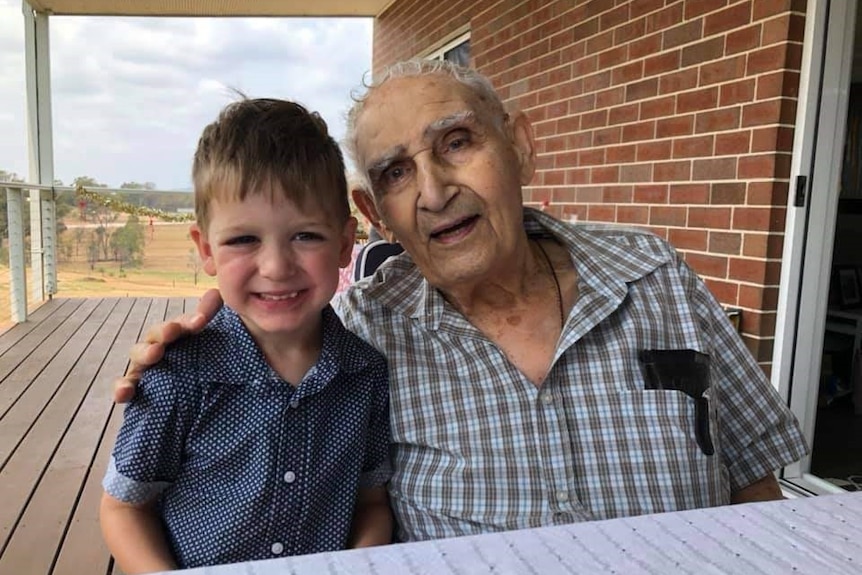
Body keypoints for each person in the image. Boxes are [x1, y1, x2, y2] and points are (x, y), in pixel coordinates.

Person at [115, 60, 808, 544]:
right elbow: (268, 336)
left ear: (520, 146)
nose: (435, 190)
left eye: (457, 142)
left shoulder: (657, 276)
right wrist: (195, 335)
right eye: (395, 172)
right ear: (373, 212)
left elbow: (754, 481)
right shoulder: (356, 336)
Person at [100, 98, 392, 573]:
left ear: (344, 244)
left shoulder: (365, 374)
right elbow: (124, 508)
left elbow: (371, 505)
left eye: (306, 236)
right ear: (206, 249)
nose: (276, 267)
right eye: (242, 240)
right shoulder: (178, 373)